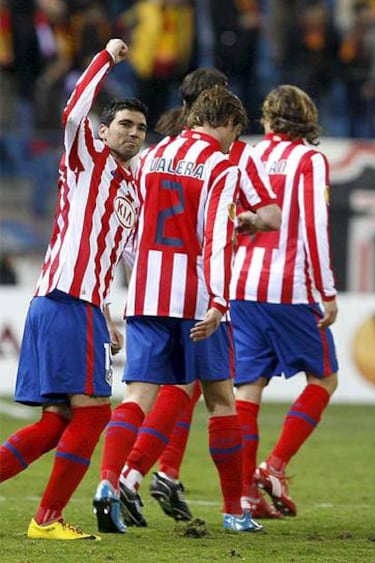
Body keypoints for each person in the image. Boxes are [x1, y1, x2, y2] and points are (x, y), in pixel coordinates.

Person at [93, 85, 264, 534]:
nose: (234, 142)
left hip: (148, 293)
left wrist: (134, 280)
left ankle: (107, 485)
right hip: (196, 299)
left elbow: (130, 226)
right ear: (224, 122)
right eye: (234, 132)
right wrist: (221, 301)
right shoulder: (220, 165)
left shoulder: (151, 154)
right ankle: (234, 512)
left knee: (136, 397)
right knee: (222, 401)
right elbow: (217, 238)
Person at [0, 38, 148, 541]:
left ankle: (47, 517)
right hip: (66, 301)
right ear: (103, 130)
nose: (132, 133)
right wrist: (105, 57)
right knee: (95, 415)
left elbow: (120, 258)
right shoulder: (87, 156)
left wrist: (110, 317)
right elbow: (72, 110)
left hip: (75, 306)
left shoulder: (132, 191)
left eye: (139, 128)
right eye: (123, 124)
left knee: (57, 422)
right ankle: (47, 519)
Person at [230, 84, 339, 517]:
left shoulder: (250, 156)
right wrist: (326, 291)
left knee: (248, 389)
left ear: (269, 118)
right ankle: (273, 467)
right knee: (324, 379)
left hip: (242, 287)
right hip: (287, 287)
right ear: (307, 119)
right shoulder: (310, 160)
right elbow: (314, 227)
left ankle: (245, 495)